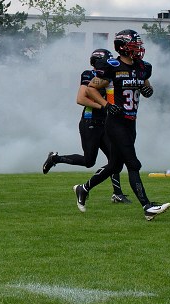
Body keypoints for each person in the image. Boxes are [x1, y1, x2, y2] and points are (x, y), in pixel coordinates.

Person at [72, 29, 170, 220]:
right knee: (133, 164)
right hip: (115, 123)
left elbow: (146, 87)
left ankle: (83, 189)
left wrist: (147, 90)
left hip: (131, 122)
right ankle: (147, 207)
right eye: (134, 45)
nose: (138, 48)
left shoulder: (142, 66)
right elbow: (91, 88)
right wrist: (106, 105)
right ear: (123, 47)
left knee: (114, 165)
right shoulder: (112, 65)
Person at [42, 48, 129, 203]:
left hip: (105, 123)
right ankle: (56, 159)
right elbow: (80, 99)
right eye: (106, 61)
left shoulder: (109, 75)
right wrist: (104, 107)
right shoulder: (89, 74)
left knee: (115, 160)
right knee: (89, 161)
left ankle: (117, 194)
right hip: (91, 122)